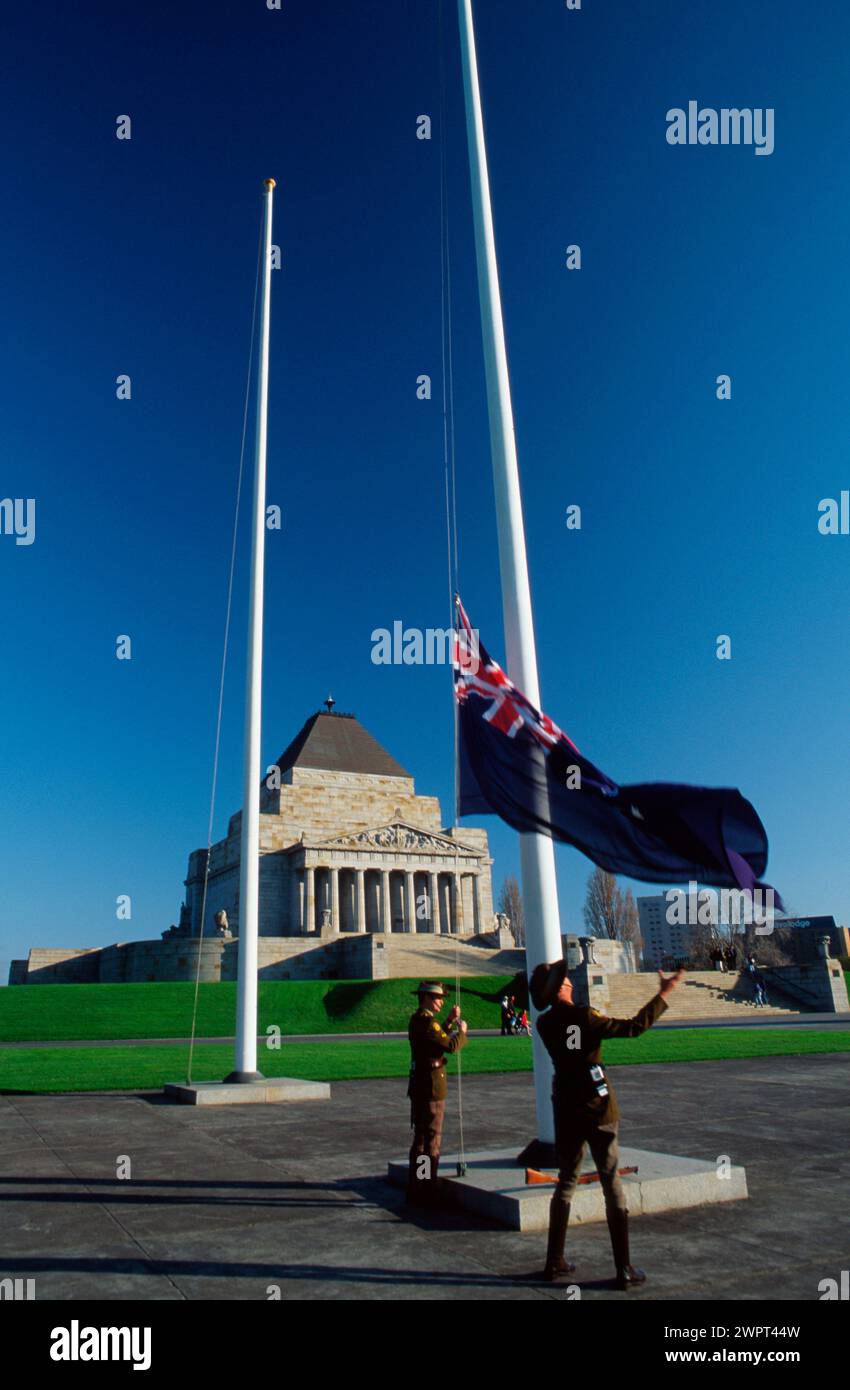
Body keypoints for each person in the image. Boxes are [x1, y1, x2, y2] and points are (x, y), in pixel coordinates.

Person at [532, 959, 684, 1289]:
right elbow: (633, 1027)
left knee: (566, 1183)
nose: (570, 982)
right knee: (610, 1180)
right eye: (566, 980)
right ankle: (623, 1268)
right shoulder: (585, 1016)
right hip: (598, 1108)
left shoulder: (544, 1023)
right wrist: (664, 994)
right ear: (561, 988)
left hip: (567, 1110)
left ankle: (553, 1260)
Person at [406, 981, 468, 1208]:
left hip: (419, 1083)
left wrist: (450, 1021)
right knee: (432, 1139)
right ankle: (427, 1187)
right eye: (438, 998)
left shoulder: (419, 1020)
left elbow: (436, 1036)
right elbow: (448, 1046)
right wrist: (461, 1033)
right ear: (427, 999)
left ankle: (417, 1184)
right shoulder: (427, 1022)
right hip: (431, 1086)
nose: (442, 1001)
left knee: (421, 1138)